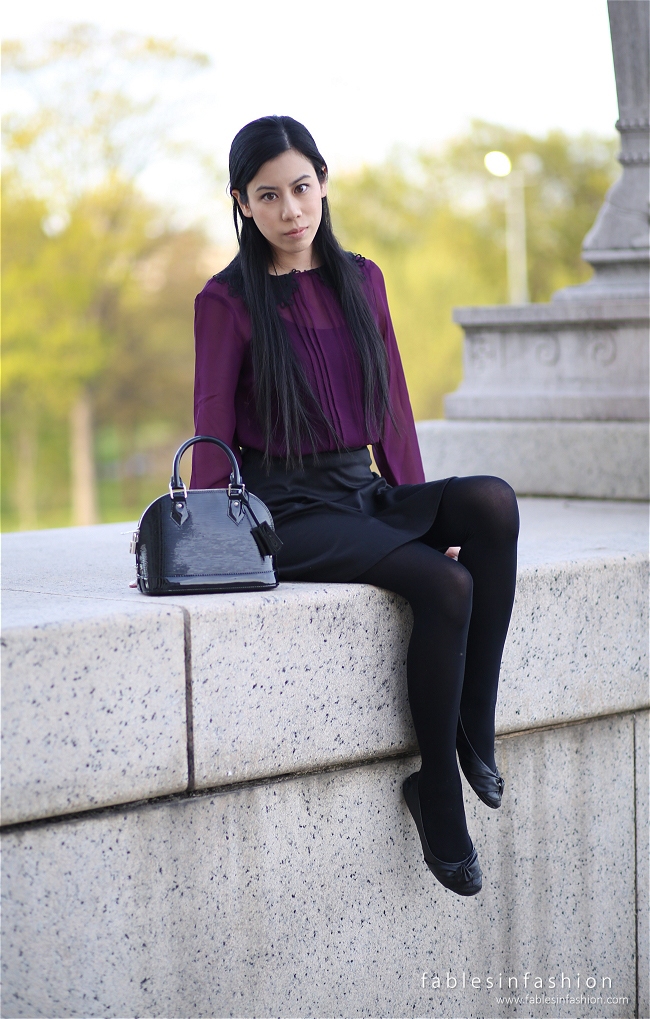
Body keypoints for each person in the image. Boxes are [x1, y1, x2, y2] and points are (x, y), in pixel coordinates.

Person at [190, 115, 519, 897]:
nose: (290, 210)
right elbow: (211, 425)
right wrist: (202, 538)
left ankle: (477, 722)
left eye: (301, 188)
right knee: (445, 585)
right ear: (242, 202)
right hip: (287, 509)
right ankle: (436, 790)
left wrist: (420, 507)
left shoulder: (361, 277)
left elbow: (395, 409)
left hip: (362, 489)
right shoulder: (227, 300)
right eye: (267, 196)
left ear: (324, 183)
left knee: (493, 505)